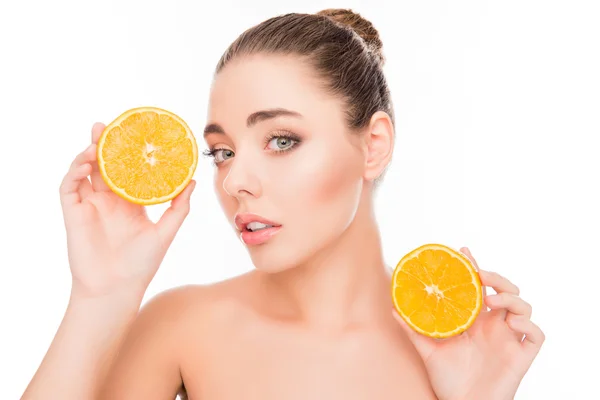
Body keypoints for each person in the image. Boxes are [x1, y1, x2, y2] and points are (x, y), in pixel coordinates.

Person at [22, 9, 544, 400]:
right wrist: (100, 294)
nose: (234, 183)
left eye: (281, 140)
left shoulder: (459, 351)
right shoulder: (184, 327)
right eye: (223, 152)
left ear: (374, 144)